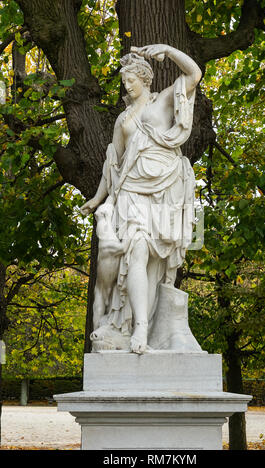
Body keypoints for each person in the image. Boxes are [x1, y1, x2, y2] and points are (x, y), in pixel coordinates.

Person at [80, 44, 201, 354]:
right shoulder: (123, 121)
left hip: (165, 190)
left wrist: (169, 50)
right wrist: (97, 198)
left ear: (145, 78)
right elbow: (116, 165)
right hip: (132, 192)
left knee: (155, 266)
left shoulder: (163, 101)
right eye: (124, 81)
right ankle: (140, 330)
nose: (126, 85)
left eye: (130, 80)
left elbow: (194, 73)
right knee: (136, 251)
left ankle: (150, 325)